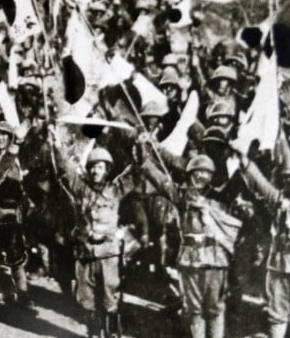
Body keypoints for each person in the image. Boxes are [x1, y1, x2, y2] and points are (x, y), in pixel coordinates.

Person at [141, 148, 240, 338]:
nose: (201, 176)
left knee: (215, 308)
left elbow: (239, 181)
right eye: (196, 172)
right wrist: (144, 161)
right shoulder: (182, 196)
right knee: (193, 309)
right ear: (190, 175)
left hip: (215, 258)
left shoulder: (221, 196)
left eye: (205, 172)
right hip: (190, 259)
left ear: (211, 176)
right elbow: (161, 182)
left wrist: (245, 159)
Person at [234, 147, 290, 338]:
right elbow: (260, 184)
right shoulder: (278, 202)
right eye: (288, 177)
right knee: (277, 315)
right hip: (279, 266)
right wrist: (245, 162)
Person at [51, 135, 137, 338]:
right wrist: (56, 143)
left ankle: (112, 334)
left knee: (109, 300)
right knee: (87, 301)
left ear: (107, 170)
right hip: (86, 254)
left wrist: (139, 149)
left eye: (100, 167)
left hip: (108, 255)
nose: (95, 171)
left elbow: (136, 172)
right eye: (92, 167)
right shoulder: (81, 189)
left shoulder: (116, 190)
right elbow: (66, 168)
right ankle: (93, 334)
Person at [0, 120, 29, 307]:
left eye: (3, 135)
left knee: (15, 254)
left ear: (10, 138)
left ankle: (23, 294)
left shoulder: (16, 159)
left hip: (9, 212)